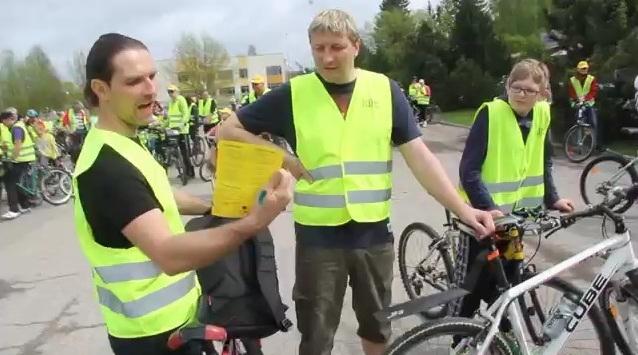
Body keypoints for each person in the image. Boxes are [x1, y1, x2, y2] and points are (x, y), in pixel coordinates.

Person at [219, 9, 496, 355]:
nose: (327, 57)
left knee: (377, 327)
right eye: (318, 48)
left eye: (336, 47)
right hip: (318, 238)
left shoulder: (385, 91)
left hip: (373, 235)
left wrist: (464, 210)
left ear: (356, 46)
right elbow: (228, 130)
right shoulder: (294, 93)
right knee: (316, 333)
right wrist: (283, 157)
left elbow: (420, 158)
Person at [74, 33, 293, 355]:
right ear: (101, 89)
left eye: (152, 76)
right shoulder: (107, 168)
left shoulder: (122, 142)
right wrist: (253, 222)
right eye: (134, 81)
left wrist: (216, 206)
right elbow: (169, 255)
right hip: (153, 336)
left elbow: (157, 199)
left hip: (177, 321)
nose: (150, 89)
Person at [456, 58, 575, 350]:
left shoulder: (542, 115)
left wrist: (553, 198)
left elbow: (544, 161)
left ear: (542, 93)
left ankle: (504, 334)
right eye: (515, 87)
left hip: (515, 222)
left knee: (509, 278)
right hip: (481, 219)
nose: (520, 94)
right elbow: (468, 171)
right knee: (470, 287)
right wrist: (488, 209)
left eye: (529, 90)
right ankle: (457, 341)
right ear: (507, 85)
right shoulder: (491, 113)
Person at [1, 110, 36, 220]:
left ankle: (14, 210)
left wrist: (12, 158)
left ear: (8, 119)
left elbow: (18, 145)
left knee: (9, 182)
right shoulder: (18, 126)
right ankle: (25, 206)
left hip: (21, 159)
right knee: (14, 182)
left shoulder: (16, 128)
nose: (4, 124)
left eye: (3, 122)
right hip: (23, 159)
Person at [568, 60, 600, 146]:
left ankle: (594, 144)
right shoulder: (572, 80)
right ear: (578, 69)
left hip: (588, 103)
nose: (584, 70)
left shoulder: (591, 79)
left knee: (593, 122)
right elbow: (571, 92)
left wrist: (585, 98)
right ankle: (575, 143)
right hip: (577, 103)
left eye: (586, 68)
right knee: (576, 123)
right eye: (582, 68)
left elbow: (594, 91)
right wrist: (576, 99)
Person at [166, 84, 195, 178]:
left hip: (182, 130)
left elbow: (186, 114)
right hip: (173, 130)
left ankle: (190, 171)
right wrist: (161, 125)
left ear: (176, 92)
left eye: (172, 91)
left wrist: (181, 124)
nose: (170, 94)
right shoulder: (170, 102)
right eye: (169, 92)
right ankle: (181, 169)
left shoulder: (181, 99)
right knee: (174, 151)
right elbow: (170, 118)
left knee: (184, 152)